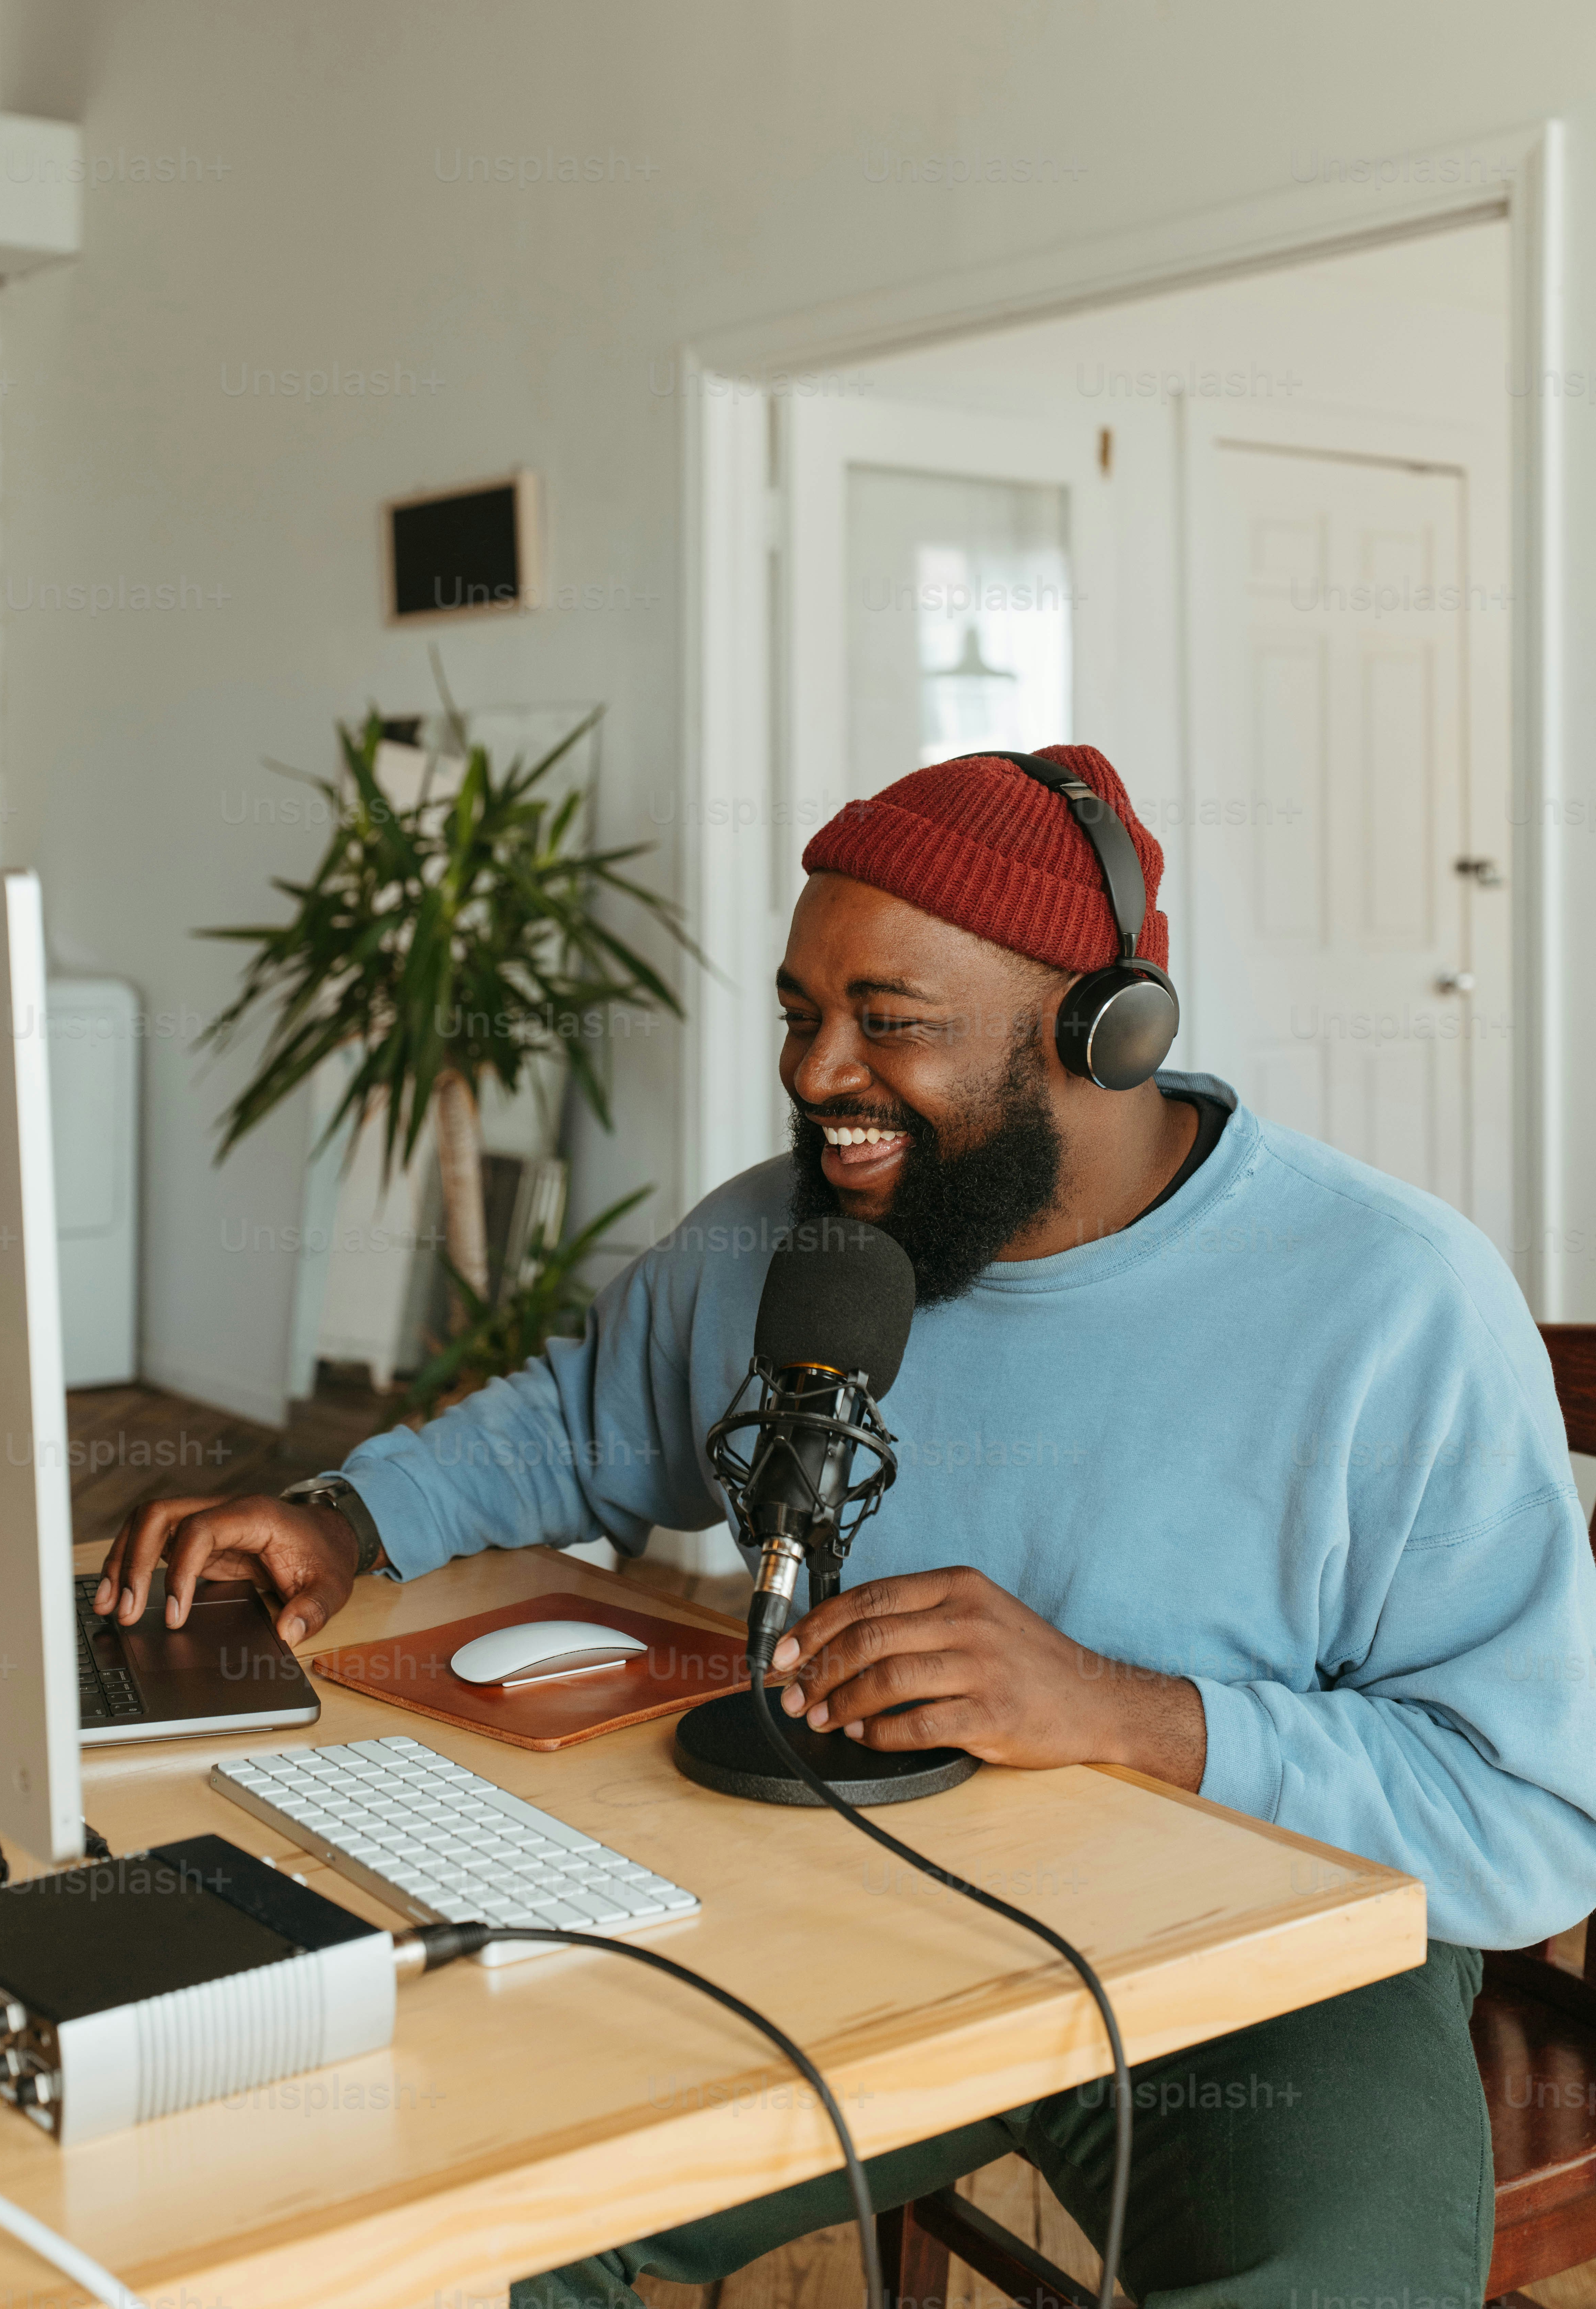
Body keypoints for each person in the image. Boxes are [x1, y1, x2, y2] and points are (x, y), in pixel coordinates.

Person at [97, 745, 1596, 2307]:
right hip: (855, 1897)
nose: (817, 1075)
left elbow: (1531, 1819)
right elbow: (576, 1418)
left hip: (1266, 1956)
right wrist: (346, 1514)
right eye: (801, 1016)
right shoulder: (792, 1227)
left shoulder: (1394, 1300)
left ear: (1107, 1029)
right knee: (475, 2218)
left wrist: (1128, 1716)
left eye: (889, 1025)